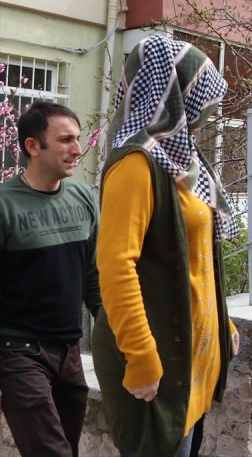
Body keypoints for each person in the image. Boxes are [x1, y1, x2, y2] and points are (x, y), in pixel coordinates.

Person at [91, 34, 240, 456]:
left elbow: (198, 260)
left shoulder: (184, 164)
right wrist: (140, 356)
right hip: (156, 366)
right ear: (172, 93)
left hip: (190, 360)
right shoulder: (136, 164)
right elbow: (116, 266)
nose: (206, 111)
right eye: (200, 97)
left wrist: (223, 324)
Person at [0, 100, 101, 457]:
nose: (77, 149)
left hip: (70, 352)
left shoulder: (82, 197)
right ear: (32, 145)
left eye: (78, 138)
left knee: (66, 449)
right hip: (17, 354)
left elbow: (94, 276)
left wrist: (119, 335)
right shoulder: (5, 204)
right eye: (65, 140)